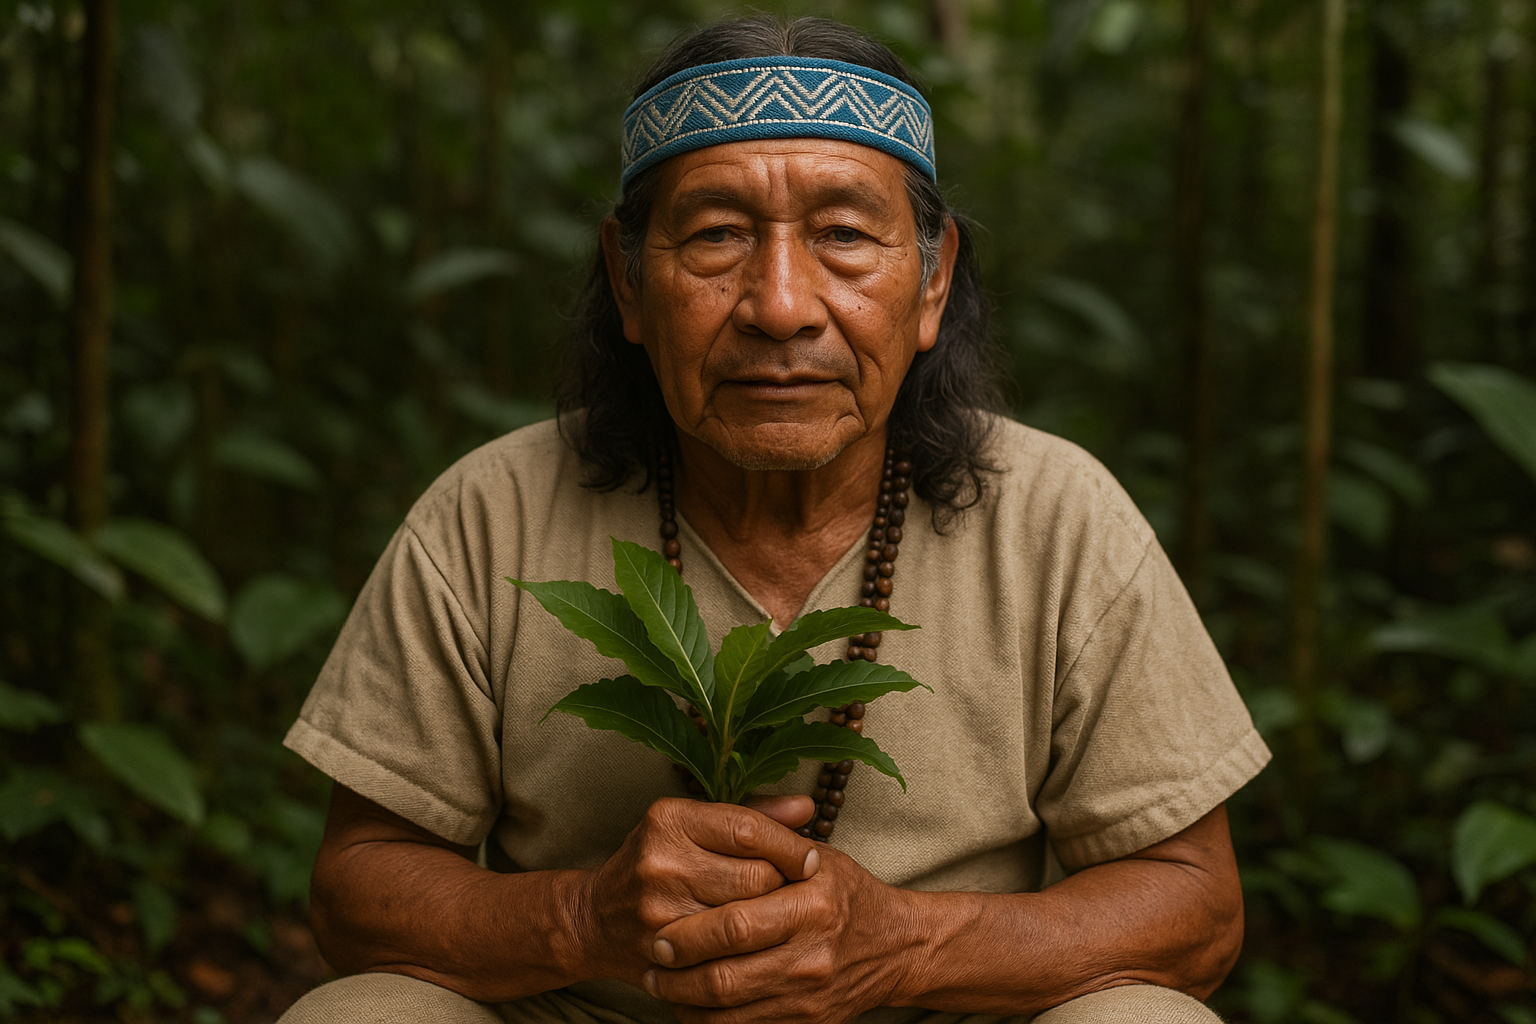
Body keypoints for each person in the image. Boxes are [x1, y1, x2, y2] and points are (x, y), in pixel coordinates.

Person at [278, 16, 1270, 1024]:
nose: (781, 305)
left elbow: (1196, 909)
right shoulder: (486, 514)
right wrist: (582, 917)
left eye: (844, 235)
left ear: (932, 281)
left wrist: (905, 946)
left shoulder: (1062, 519)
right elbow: (358, 887)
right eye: (715, 235)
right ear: (628, 278)